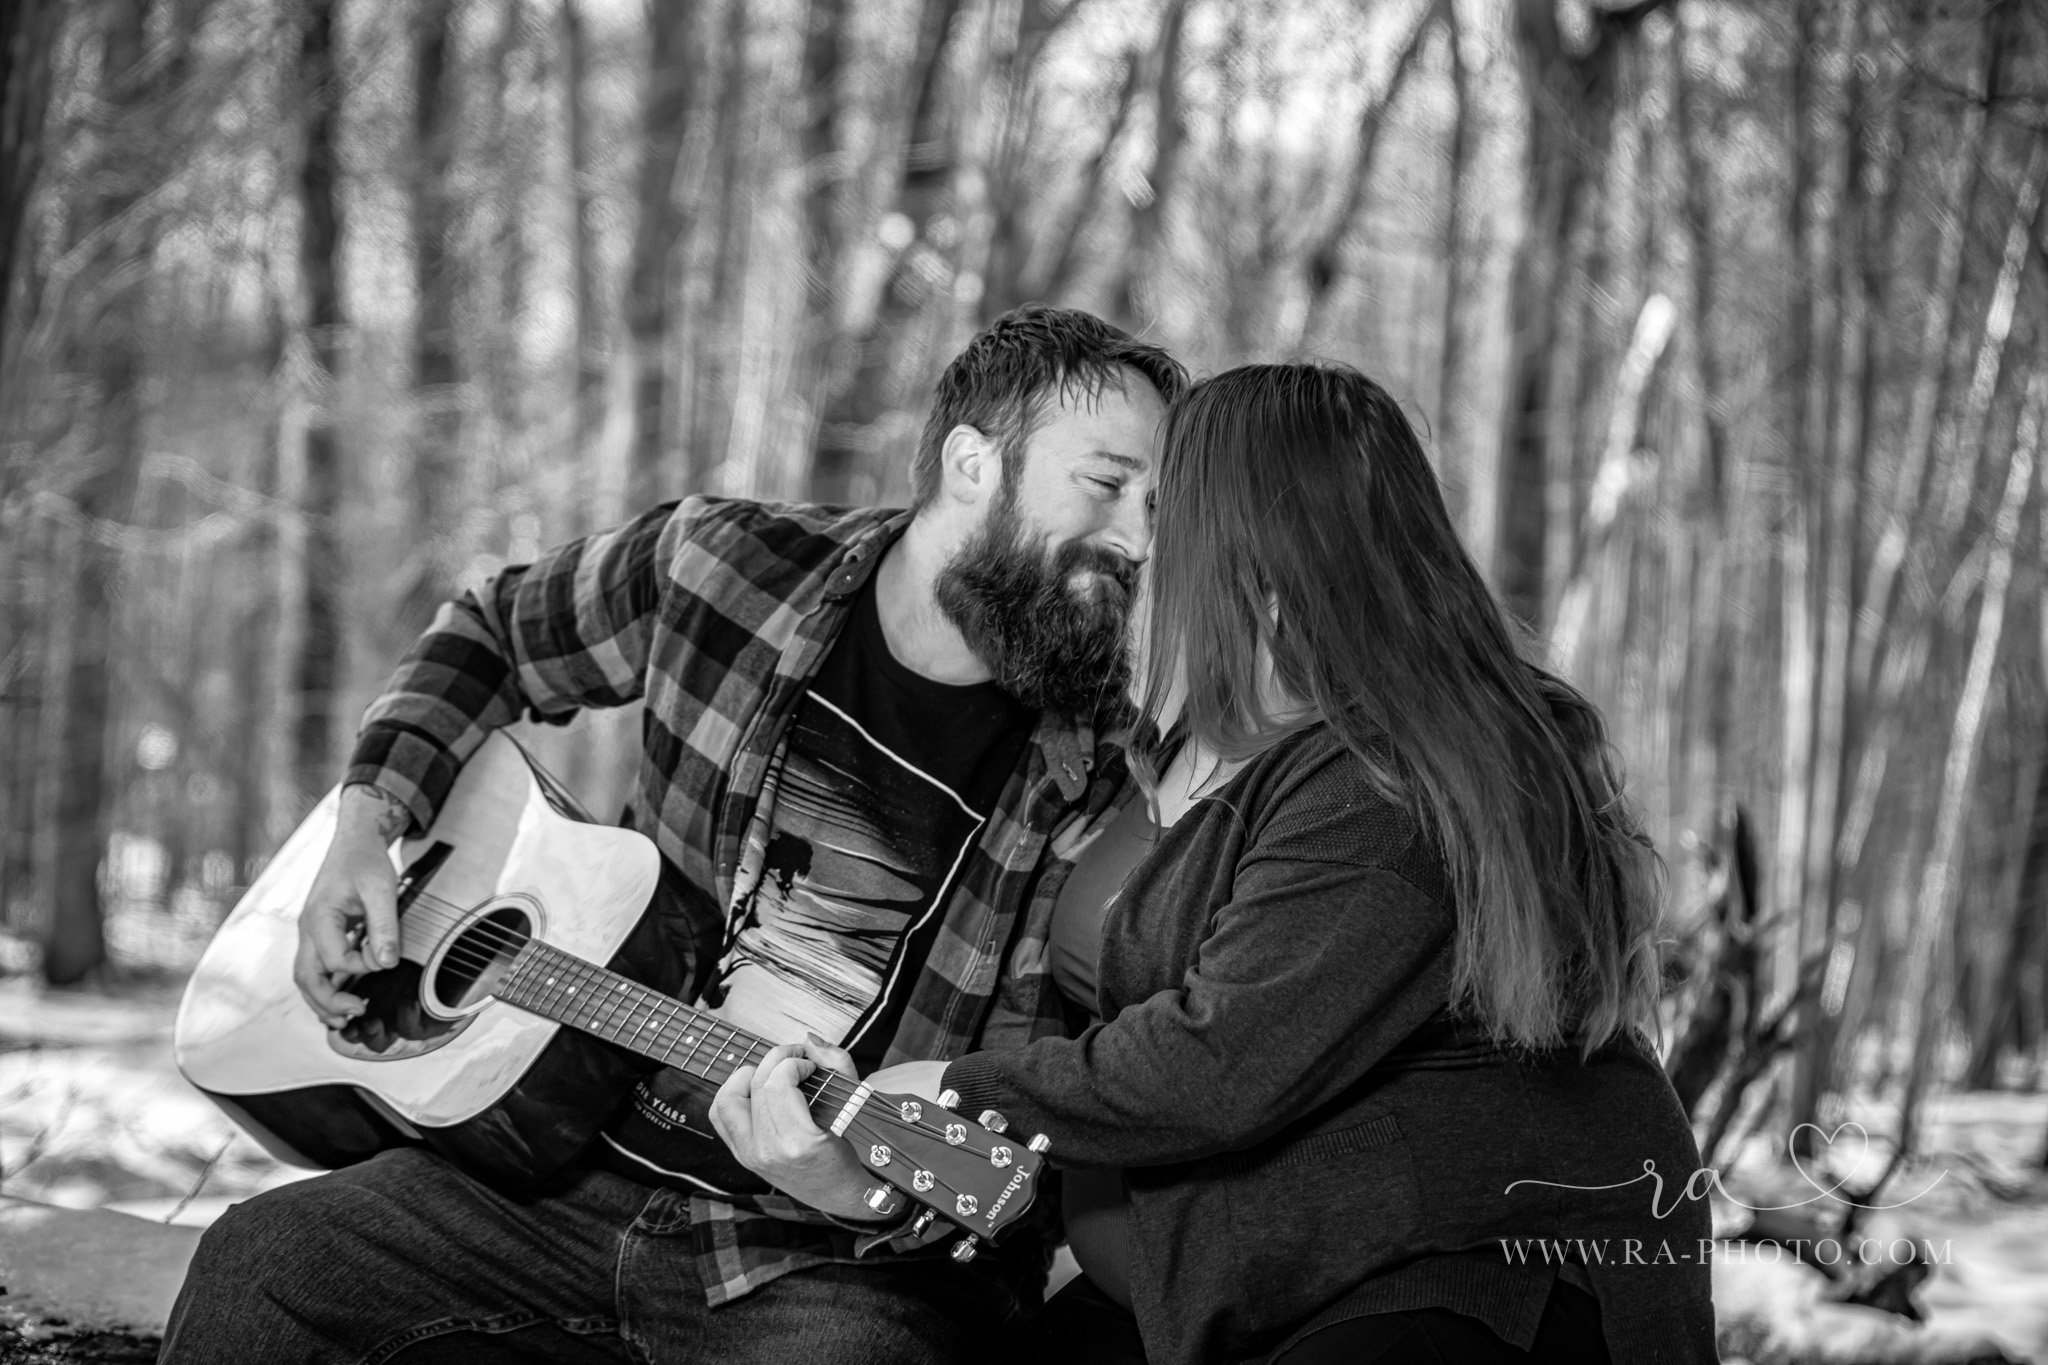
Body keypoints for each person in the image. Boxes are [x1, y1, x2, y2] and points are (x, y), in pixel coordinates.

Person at [158, 304, 1187, 1364]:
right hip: (559, 1165)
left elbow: (1024, 1141)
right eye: (1106, 486)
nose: (1137, 539)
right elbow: (492, 633)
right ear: (973, 464)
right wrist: (366, 831)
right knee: (260, 1264)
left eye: (1154, 505)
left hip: (830, 1262)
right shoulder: (727, 569)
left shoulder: (1116, 771)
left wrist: (862, 1196)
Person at [846, 362, 1720, 1364]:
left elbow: (1222, 1062)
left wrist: (959, 1090)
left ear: (1248, 535)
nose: (1136, 539)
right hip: (1237, 1285)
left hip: (1445, 1279)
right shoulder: (1195, 735)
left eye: (1164, 505)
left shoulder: (1389, 779)